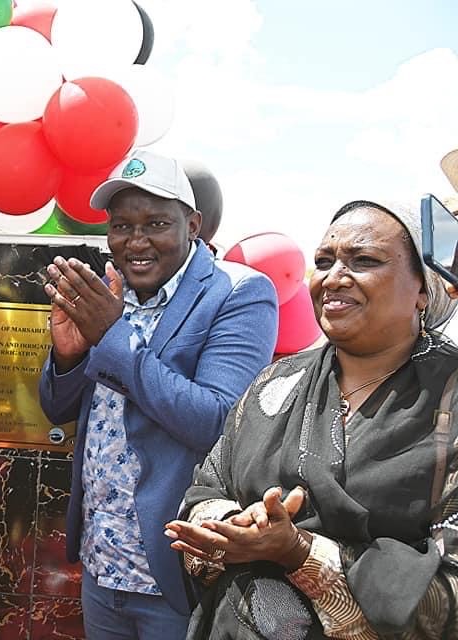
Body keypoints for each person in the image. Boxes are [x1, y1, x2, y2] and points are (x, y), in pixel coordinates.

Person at [167, 200, 458, 639]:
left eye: (364, 260)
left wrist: (301, 553)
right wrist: (232, 527)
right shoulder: (274, 383)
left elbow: (448, 596)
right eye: (324, 261)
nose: (334, 276)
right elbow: (206, 487)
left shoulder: (449, 401)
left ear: (423, 288)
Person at [38, 150, 279, 639]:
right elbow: (57, 408)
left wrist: (112, 338)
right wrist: (68, 358)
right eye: (122, 225)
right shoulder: (109, 291)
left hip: (173, 573)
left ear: (193, 225)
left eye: (156, 223)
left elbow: (216, 421)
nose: (137, 241)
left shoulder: (239, 293)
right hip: (102, 564)